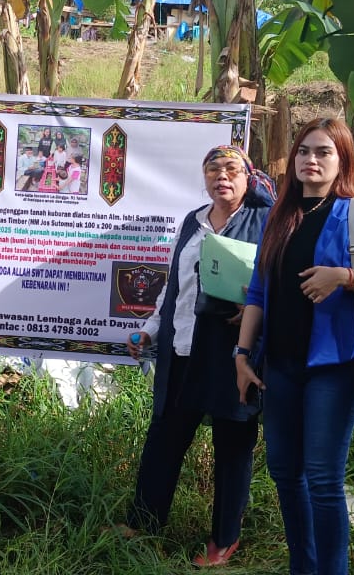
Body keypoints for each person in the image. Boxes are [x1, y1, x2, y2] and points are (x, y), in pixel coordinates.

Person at [233, 119, 354, 575]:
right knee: (285, 474)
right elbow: (258, 292)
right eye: (304, 151)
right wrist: (242, 355)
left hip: (335, 367)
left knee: (324, 481)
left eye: (324, 152)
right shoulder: (280, 216)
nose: (311, 159)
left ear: (342, 160)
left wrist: (344, 277)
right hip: (281, 367)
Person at [119, 145, 276, 567]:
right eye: (213, 169)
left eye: (231, 169)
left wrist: (257, 307)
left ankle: (225, 538)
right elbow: (174, 287)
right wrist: (150, 330)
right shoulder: (193, 221)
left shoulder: (265, 221)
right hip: (182, 347)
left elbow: (281, 283)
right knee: (164, 436)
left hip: (233, 352)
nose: (221, 176)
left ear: (248, 177)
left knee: (232, 443)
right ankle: (144, 521)